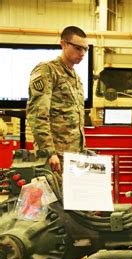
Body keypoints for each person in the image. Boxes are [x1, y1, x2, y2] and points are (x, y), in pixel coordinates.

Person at [26, 26, 88, 172]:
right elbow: (37, 114)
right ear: (63, 44)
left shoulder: (75, 77)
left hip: (73, 156)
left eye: (85, 49)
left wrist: (82, 150)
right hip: (55, 156)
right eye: (78, 48)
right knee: (53, 194)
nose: (82, 53)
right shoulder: (47, 70)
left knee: (70, 195)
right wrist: (48, 151)